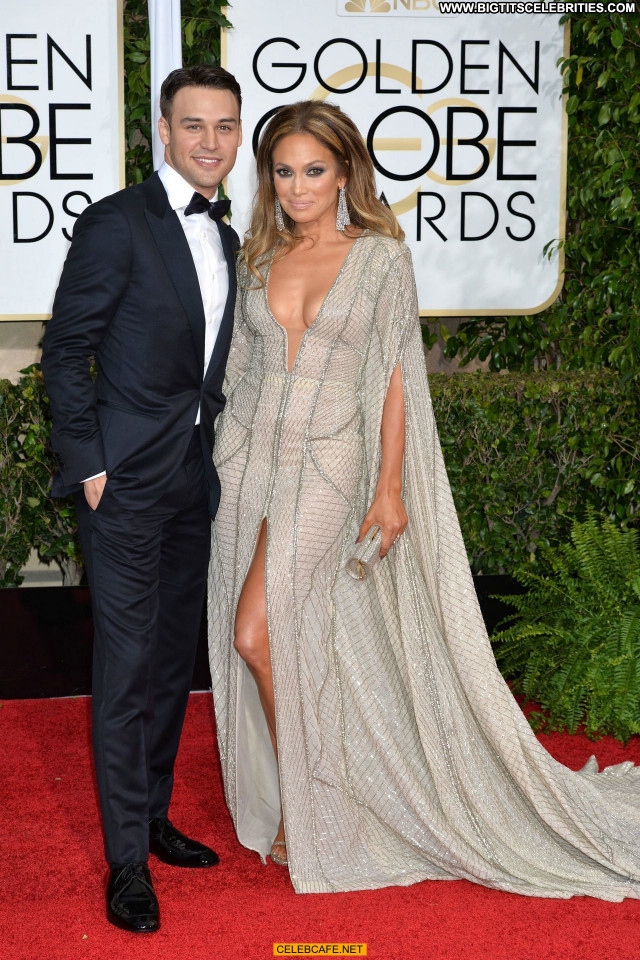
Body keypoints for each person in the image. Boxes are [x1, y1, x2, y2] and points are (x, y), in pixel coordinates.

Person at [207, 99, 640, 899]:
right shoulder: (259, 256)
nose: (298, 187)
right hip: (248, 462)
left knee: (256, 633)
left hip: (330, 464)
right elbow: (238, 368)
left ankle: (314, 805)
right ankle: (315, 791)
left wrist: (389, 488)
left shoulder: (378, 258)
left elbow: (399, 373)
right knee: (289, 637)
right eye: (284, 172)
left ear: (345, 173)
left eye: (314, 170)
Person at [41, 64, 242, 932]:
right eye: (193, 124)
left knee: (168, 663)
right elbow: (64, 350)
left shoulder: (229, 236)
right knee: (124, 672)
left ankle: (154, 817)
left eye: (225, 126)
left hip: (192, 477)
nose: (209, 141)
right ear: (163, 130)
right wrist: (90, 464)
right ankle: (126, 863)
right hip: (121, 487)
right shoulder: (117, 222)